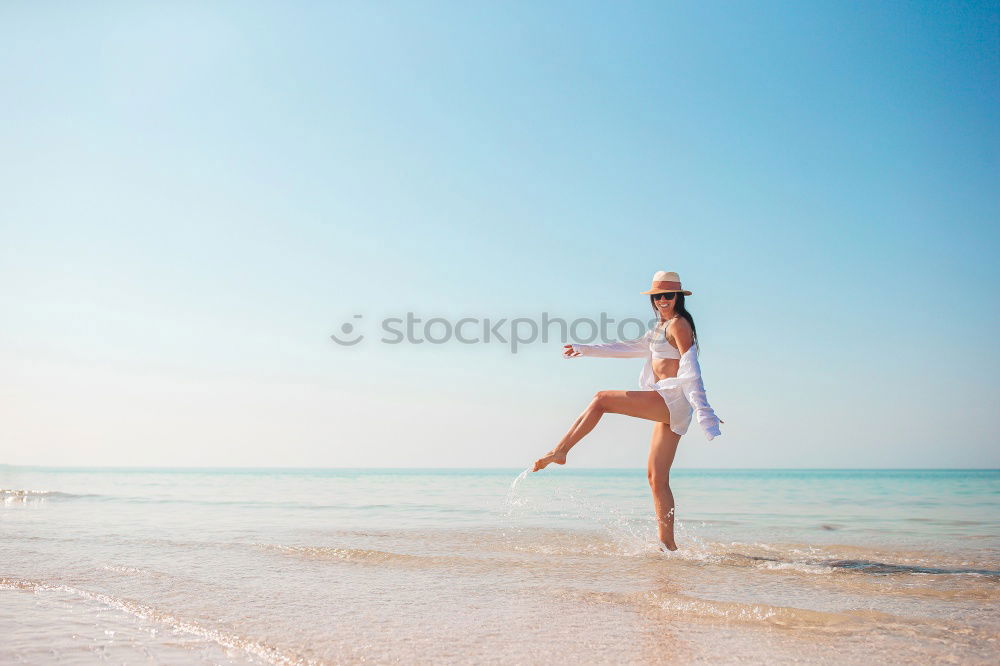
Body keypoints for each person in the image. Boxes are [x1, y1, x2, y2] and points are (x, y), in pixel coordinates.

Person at [531, 271, 723, 551]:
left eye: (668, 295)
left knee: (601, 399)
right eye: (658, 296)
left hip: (672, 401)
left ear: (678, 297)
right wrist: (585, 349)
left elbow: (691, 368)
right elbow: (627, 347)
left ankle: (560, 451)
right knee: (657, 478)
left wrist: (704, 410)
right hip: (668, 402)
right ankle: (668, 546)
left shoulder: (679, 325)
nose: (663, 300)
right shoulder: (660, 327)